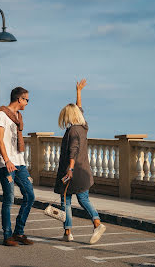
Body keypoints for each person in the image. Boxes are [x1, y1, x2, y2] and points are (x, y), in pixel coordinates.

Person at [53, 79, 106, 244]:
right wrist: (79, 92)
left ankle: (77, 229)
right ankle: (75, 229)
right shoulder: (83, 126)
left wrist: (69, 170)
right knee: (81, 199)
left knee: (67, 201)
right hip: (82, 171)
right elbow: (79, 108)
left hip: (73, 171)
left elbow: (73, 150)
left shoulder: (73, 131)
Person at [0, 87, 35, 247]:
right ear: (19, 99)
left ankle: (19, 232)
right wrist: (7, 160)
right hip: (6, 163)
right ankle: (7, 235)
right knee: (9, 198)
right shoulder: (1, 115)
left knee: (30, 196)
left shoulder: (18, 116)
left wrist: (18, 161)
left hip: (19, 162)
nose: (27, 103)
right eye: (26, 100)